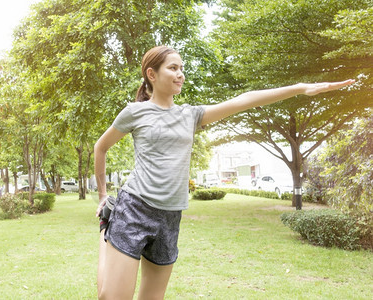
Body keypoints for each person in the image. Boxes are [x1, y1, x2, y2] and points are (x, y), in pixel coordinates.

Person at [94, 45, 354, 299]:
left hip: (170, 215)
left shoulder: (190, 115)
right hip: (135, 207)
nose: (180, 74)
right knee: (112, 297)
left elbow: (244, 100)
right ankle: (107, 233)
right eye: (173, 68)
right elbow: (101, 148)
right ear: (152, 74)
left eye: (182, 68)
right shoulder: (135, 112)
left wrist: (300, 88)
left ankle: (109, 233)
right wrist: (103, 196)